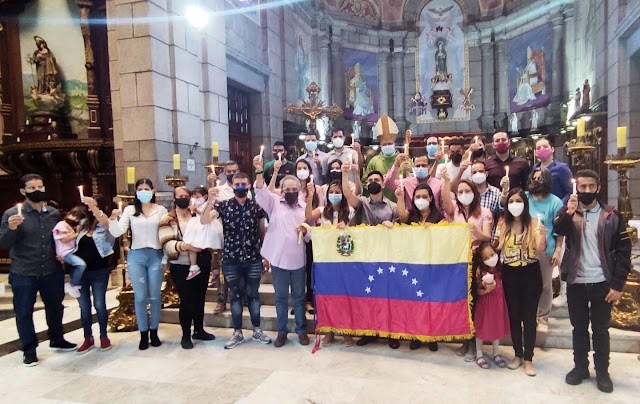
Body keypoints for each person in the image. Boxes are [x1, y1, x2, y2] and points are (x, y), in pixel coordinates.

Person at [554, 169, 631, 393]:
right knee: (578, 328)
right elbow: (558, 230)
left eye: (590, 187)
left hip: (602, 283)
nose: (586, 191)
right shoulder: (569, 212)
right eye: (582, 187)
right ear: (577, 188)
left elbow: (624, 252)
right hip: (576, 282)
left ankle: (603, 371)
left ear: (598, 188)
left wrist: (618, 284)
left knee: (600, 329)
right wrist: (568, 213)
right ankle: (580, 367)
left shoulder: (612, 216)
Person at [0, 174, 77, 366]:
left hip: (51, 268)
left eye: (40, 187)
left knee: (55, 306)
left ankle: (57, 338)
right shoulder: (12, 215)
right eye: (32, 188)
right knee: (24, 311)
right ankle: (29, 349)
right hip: (24, 270)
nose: (38, 191)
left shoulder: (53, 213)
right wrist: (11, 229)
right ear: (23, 191)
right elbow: (3, 243)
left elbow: (59, 238)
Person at [202, 172, 272, 349]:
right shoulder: (223, 206)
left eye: (244, 183)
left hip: (253, 258)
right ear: (232, 186)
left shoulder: (256, 207)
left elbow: (262, 231)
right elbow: (204, 220)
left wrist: (266, 256)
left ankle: (257, 330)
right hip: (231, 259)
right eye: (237, 183)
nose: (240, 186)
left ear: (249, 186)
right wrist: (209, 200)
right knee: (234, 296)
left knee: (254, 295)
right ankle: (237, 333)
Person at [254, 155, 311, 348]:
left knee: (299, 298)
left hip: (298, 260)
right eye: (287, 189)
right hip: (278, 259)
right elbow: (260, 193)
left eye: (294, 189)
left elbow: (312, 231)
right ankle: (281, 331)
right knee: (280, 298)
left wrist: (306, 231)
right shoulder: (274, 204)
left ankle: (301, 330)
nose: (291, 192)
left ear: (299, 191)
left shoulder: (305, 207)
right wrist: (259, 171)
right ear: (282, 190)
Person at [344, 164, 399, 348]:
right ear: (367, 185)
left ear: (383, 184)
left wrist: (394, 226)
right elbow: (348, 195)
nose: (373, 183)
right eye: (370, 181)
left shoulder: (392, 206)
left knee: (389, 296)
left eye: (376, 180)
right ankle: (370, 331)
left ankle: (391, 333)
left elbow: (403, 227)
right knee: (369, 296)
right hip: (367, 256)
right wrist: (345, 174)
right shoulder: (362, 203)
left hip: (387, 256)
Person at [109, 178, 168, 350]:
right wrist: (112, 219)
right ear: (136, 192)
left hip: (156, 255)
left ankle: (154, 330)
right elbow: (118, 231)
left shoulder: (161, 210)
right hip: (137, 256)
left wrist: (165, 258)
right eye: (140, 189)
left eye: (146, 188)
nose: (143, 191)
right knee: (141, 296)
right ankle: (143, 333)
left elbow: (166, 234)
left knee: (155, 295)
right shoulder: (130, 210)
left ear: (153, 190)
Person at [493, 188, 547, 377]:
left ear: (525, 204)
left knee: (529, 317)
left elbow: (541, 249)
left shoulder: (534, 224)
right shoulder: (503, 224)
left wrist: (542, 237)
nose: (515, 205)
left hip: (531, 273)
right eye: (511, 201)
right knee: (514, 316)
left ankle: (529, 358)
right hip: (510, 273)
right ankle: (518, 354)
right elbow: (497, 248)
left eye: (519, 201)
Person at [159, 186, 216, 349]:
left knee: (200, 297)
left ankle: (199, 329)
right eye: (180, 195)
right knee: (187, 300)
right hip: (181, 265)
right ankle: (185, 335)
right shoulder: (168, 219)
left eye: (186, 195)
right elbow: (165, 242)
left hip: (202, 261)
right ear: (174, 198)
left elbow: (208, 228)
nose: (183, 197)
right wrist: (185, 246)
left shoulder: (196, 215)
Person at [305, 179, 356, 347]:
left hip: (344, 260)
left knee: (345, 297)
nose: (335, 195)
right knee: (327, 296)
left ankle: (347, 332)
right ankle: (329, 331)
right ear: (327, 195)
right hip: (326, 261)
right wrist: (311, 194)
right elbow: (307, 216)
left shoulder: (351, 212)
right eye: (332, 192)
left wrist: (347, 229)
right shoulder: (321, 211)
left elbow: (356, 233)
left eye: (337, 192)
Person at [395, 183, 444, 352]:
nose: (421, 200)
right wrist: (400, 198)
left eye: (424, 197)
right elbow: (401, 218)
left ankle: (432, 336)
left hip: (431, 266)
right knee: (414, 301)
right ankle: (415, 335)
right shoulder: (411, 216)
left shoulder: (439, 217)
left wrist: (436, 230)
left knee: (431, 302)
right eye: (417, 197)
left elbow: (445, 237)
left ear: (431, 198)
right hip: (413, 265)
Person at [73, 196, 117, 354]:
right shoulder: (83, 225)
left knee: (99, 304)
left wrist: (94, 207)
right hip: (80, 272)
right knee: (84, 307)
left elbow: (107, 224)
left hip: (99, 271)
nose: (90, 209)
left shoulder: (108, 224)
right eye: (89, 207)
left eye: (94, 206)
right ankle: (87, 337)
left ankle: (104, 336)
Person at [522, 168, 564, 332]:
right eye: (534, 178)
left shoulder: (555, 202)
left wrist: (558, 250)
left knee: (545, 285)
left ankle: (543, 318)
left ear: (547, 181)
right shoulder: (525, 197)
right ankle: (527, 316)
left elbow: (559, 230)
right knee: (525, 285)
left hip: (545, 249)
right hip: (523, 248)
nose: (536, 181)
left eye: (540, 178)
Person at [472, 242, 510, 369]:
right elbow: (478, 291)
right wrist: (487, 290)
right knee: (480, 327)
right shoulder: (481, 272)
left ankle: (496, 353)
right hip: (484, 305)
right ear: (481, 260)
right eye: (486, 258)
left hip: (498, 305)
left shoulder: (501, 270)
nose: (490, 259)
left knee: (496, 326)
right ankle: (479, 354)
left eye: (492, 255)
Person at [362, 122, 411, 202]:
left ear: (394, 145)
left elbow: (412, 180)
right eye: (385, 144)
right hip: (378, 201)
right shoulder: (374, 161)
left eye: (390, 143)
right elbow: (365, 182)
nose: (387, 146)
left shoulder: (404, 159)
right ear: (381, 146)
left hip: (401, 201)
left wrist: (410, 170)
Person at [441, 173, 492, 249]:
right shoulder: (454, 208)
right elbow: (445, 199)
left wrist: (476, 232)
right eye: (460, 192)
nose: (464, 194)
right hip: (458, 251)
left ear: (474, 193)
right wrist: (447, 181)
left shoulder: (485, 212)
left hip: (476, 252)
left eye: (467, 191)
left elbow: (487, 237)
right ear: (457, 195)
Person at [181, 186, 222, 281]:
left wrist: (196, 211)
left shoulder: (208, 205)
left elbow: (206, 217)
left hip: (206, 226)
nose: (196, 200)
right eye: (194, 197)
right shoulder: (196, 204)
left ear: (205, 196)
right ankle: (194, 266)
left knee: (207, 248)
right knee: (191, 243)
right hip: (197, 224)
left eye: (198, 197)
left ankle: (214, 269)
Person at [53, 207, 87, 298]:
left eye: (77, 219)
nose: (75, 220)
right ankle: (72, 284)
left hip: (71, 250)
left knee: (80, 265)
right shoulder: (61, 225)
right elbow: (63, 240)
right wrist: (76, 234)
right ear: (69, 214)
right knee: (81, 264)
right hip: (64, 252)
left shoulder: (72, 226)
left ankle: (74, 283)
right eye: (74, 216)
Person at [532, 138, 573, 202]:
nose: (542, 149)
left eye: (545, 147)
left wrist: (559, 205)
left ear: (552, 149)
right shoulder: (535, 168)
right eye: (538, 148)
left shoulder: (562, 168)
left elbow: (570, 191)